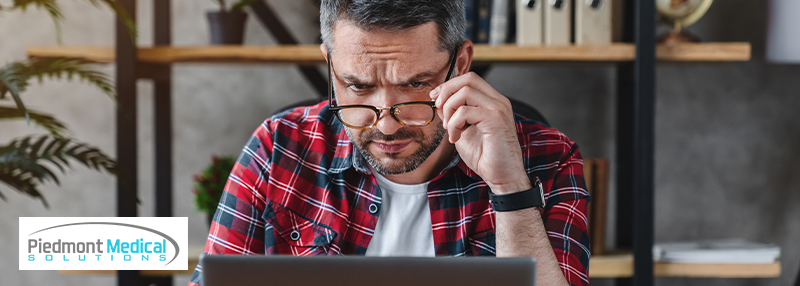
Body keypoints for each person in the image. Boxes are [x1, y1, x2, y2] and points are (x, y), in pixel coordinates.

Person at [188, 1, 590, 285]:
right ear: (329, 64)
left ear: (461, 65)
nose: (386, 123)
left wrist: (509, 188)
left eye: (414, 84)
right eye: (358, 87)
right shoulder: (278, 148)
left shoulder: (547, 158)